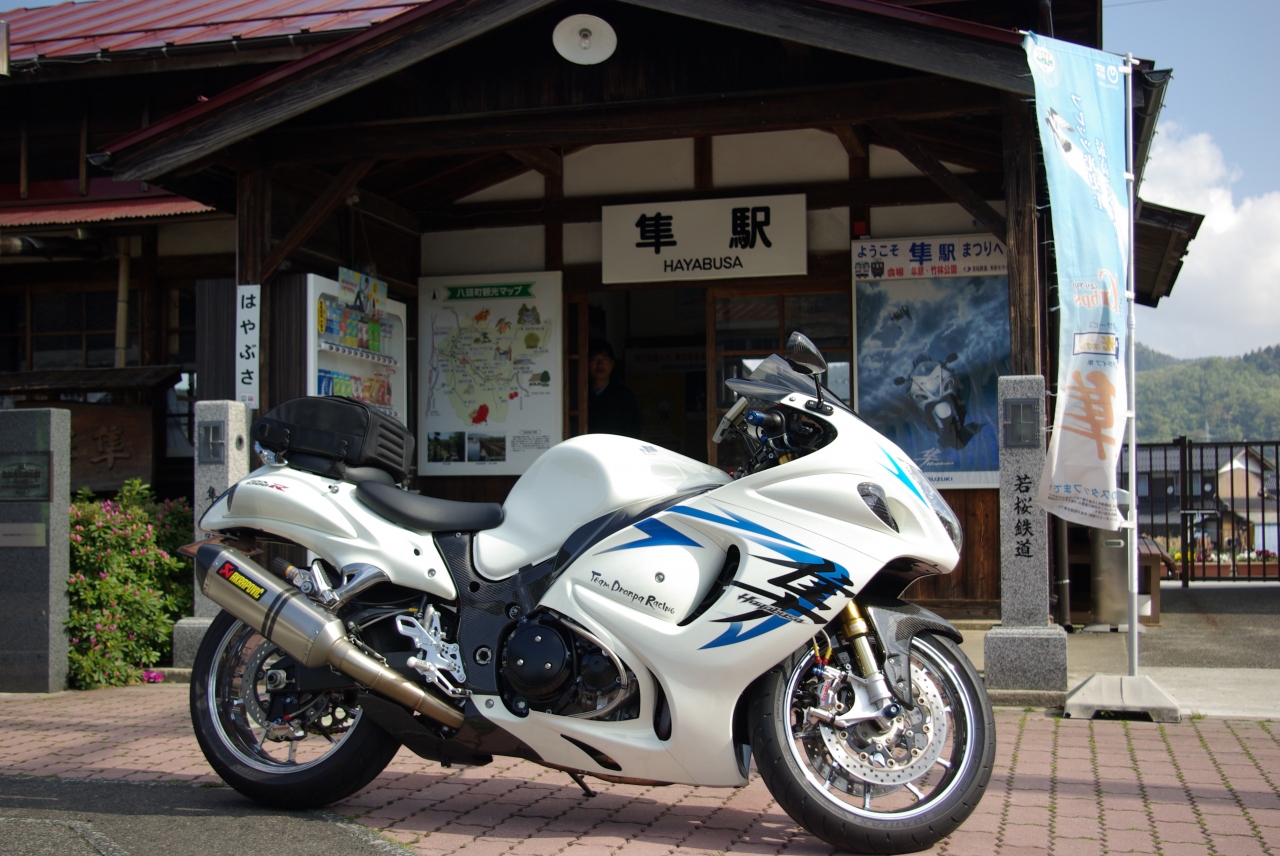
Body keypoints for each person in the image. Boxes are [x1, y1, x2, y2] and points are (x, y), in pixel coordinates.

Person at [587, 338, 642, 438]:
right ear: (587, 363)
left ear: (612, 364)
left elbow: (633, 433)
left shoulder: (625, 397)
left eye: (604, 359)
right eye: (595, 360)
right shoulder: (580, 396)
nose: (600, 365)